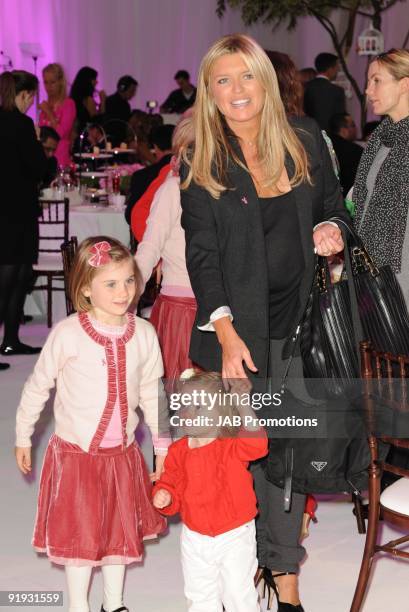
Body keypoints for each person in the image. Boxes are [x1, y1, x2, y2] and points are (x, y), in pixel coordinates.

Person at [180, 34, 350, 611]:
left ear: (266, 80)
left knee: (289, 458)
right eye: (222, 80)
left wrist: (333, 232)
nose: (237, 90)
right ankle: (239, 569)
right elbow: (202, 253)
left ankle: (285, 581)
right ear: (210, 92)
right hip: (237, 337)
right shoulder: (201, 155)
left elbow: (334, 206)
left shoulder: (303, 138)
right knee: (237, 460)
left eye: (246, 76)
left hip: (299, 329)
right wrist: (225, 334)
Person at [15, 236, 170, 612]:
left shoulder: (145, 335)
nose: (124, 292)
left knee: (119, 535)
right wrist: (23, 435)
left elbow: (154, 394)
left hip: (122, 456)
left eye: (129, 281)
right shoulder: (68, 334)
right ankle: (77, 605)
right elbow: (39, 386)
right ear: (86, 288)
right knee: (81, 541)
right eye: (111, 284)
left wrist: (162, 447)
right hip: (77, 457)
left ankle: (113, 603)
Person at [153, 371, 268, 611]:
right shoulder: (178, 451)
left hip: (234, 534)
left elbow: (258, 445)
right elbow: (170, 481)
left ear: (222, 414)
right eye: (184, 405)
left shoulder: (231, 445)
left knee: (238, 593)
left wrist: (243, 406)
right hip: (195, 537)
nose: (189, 413)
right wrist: (165, 495)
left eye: (198, 406)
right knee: (199, 594)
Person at [135, 118, 196, 383]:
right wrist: (129, 290)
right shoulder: (172, 189)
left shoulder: (220, 190)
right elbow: (150, 245)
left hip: (216, 306)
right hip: (181, 308)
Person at [354, 49, 409, 307]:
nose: (368, 90)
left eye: (376, 80)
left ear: (404, 84)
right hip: (373, 272)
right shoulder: (380, 139)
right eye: (368, 81)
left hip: (402, 271)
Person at [0, 71, 47, 365]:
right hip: (18, 208)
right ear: (25, 94)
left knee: (14, 275)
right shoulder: (21, 124)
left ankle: (11, 340)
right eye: (30, 96)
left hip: (5, 208)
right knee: (13, 276)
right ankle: (10, 339)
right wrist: (42, 147)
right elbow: (38, 167)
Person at [125, 124, 174, 224]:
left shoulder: (141, 176)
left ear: (155, 147)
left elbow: (130, 216)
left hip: (146, 234)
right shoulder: (189, 173)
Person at [39, 63, 76, 167]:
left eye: (52, 82)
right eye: (45, 82)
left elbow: (61, 134)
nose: (48, 87)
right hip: (44, 160)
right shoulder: (46, 105)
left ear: (60, 82)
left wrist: (49, 113)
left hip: (60, 160)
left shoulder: (68, 104)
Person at [304, 52, 346, 131]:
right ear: (330, 69)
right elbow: (339, 120)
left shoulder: (305, 87)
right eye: (337, 68)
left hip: (309, 134)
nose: (338, 71)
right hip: (330, 137)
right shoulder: (337, 91)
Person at [329, 113, 363, 194]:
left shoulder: (322, 145)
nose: (356, 128)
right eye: (353, 125)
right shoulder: (354, 150)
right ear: (344, 130)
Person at [70, 66, 106, 134]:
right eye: (94, 79)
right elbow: (97, 122)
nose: (96, 82)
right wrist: (103, 101)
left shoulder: (74, 97)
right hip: (86, 134)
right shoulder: (88, 100)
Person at [105, 75, 138, 146]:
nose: (133, 94)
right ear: (122, 88)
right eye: (132, 91)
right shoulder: (113, 102)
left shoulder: (124, 104)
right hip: (114, 140)